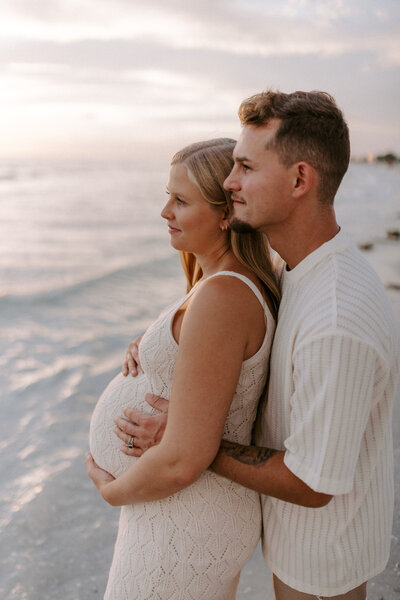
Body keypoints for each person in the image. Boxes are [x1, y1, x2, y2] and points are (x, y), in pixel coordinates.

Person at [116, 91, 399, 599]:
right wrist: (159, 341)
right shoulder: (296, 267)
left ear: (299, 180)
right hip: (299, 548)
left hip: (321, 566)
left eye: (245, 166)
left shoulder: (333, 318)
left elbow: (313, 483)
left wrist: (185, 440)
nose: (229, 182)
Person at [86, 137, 281, 599]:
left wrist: (111, 491)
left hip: (186, 514)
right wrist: (151, 344)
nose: (164, 212)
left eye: (180, 200)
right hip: (178, 512)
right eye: (166, 196)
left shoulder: (224, 294)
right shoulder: (217, 284)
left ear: (226, 213)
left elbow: (180, 462)